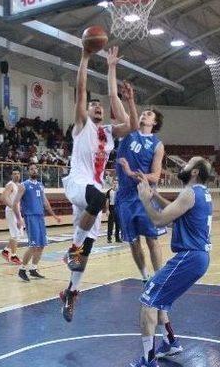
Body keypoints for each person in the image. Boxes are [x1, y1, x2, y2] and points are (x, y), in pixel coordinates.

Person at [59, 46, 136, 322]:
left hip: (93, 186)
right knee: (99, 199)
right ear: (86, 110)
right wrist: (85, 57)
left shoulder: (108, 132)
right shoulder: (81, 126)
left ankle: (71, 291)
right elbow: (81, 90)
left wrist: (113, 69)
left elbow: (131, 126)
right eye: (94, 105)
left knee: (86, 251)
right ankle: (72, 249)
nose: (98, 107)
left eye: (100, 106)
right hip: (79, 184)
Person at [128, 157, 214, 367]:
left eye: (188, 164)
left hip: (189, 257)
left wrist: (145, 199)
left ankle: (148, 361)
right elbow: (179, 211)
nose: (182, 165)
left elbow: (159, 220)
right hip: (198, 257)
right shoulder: (202, 193)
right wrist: (155, 194)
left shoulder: (190, 193)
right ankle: (170, 342)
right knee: (160, 301)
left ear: (194, 172)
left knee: (148, 300)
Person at [115, 100, 166, 282]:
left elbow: (155, 176)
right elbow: (116, 103)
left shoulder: (157, 145)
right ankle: (145, 277)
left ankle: (159, 279)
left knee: (152, 240)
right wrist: (129, 99)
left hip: (145, 196)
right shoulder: (129, 132)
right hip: (124, 197)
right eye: (143, 113)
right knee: (133, 241)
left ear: (155, 123)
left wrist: (132, 173)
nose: (144, 115)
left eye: (149, 114)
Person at [13, 164, 61, 281]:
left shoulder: (40, 185)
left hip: (40, 217)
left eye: (35, 169)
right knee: (33, 245)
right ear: (28, 171)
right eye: (31, 169)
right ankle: (22, 269)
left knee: (42, 245)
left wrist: (54, 216)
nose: (34, 170)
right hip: (30, 217)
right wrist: (19, 219)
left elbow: (45, 202)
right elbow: (15, 203)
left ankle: (33, 269)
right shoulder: (23, 185)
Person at [0, 168, 23, 265]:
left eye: (18, 173)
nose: (16, 175)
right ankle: (13, 256)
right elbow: (3, 197)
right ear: (11, 176)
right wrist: (12, 207)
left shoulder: (19, 186)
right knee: (15, 234)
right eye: (14, 174)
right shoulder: (10, 185)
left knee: (19, 234)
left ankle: (5, 251)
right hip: (11, 211)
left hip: (17, 211)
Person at [105, 179, 120, 243]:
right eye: (114, 183)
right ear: (112, 184)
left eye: (116, 183)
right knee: (110, 224)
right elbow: (107, 201)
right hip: (112, 208)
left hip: (118, 208)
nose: (115, 184)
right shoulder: (109, 191)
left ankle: (117, 238)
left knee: (118, 224)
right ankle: (109, 238)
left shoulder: (119, 191)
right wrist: (107, 210)